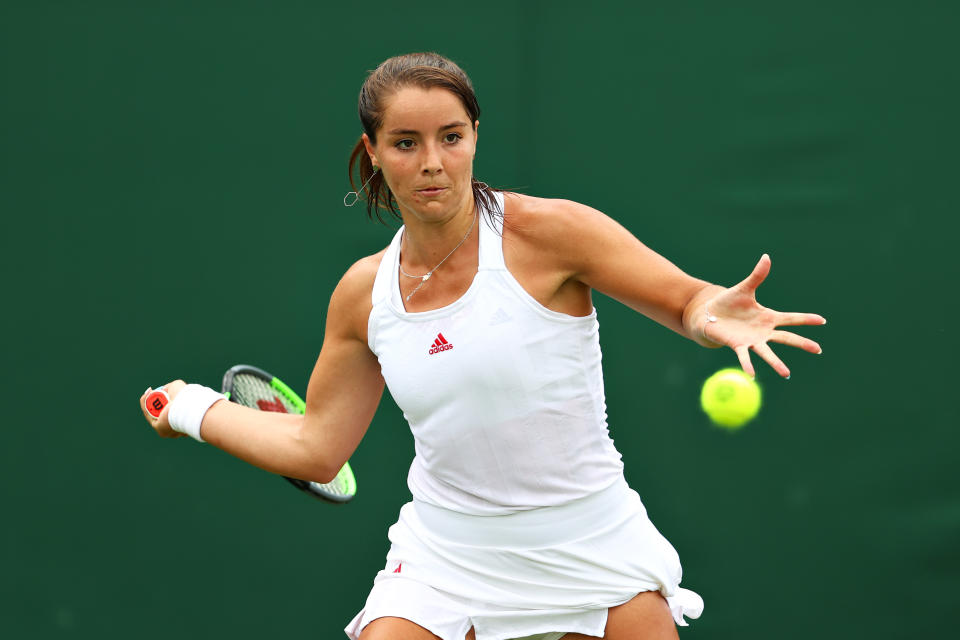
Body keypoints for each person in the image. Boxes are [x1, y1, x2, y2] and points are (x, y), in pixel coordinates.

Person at [140, 52, 825, 640]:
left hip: (590, 539)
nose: (433, 162)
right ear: (372, 151)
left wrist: (713, 315)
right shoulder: (363, 295)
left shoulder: (551, 234)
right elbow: (316, 447)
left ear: (475, 137)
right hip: (448, 551)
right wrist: (191, 410)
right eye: (406, 143)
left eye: (451, 137)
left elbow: (685, 299)